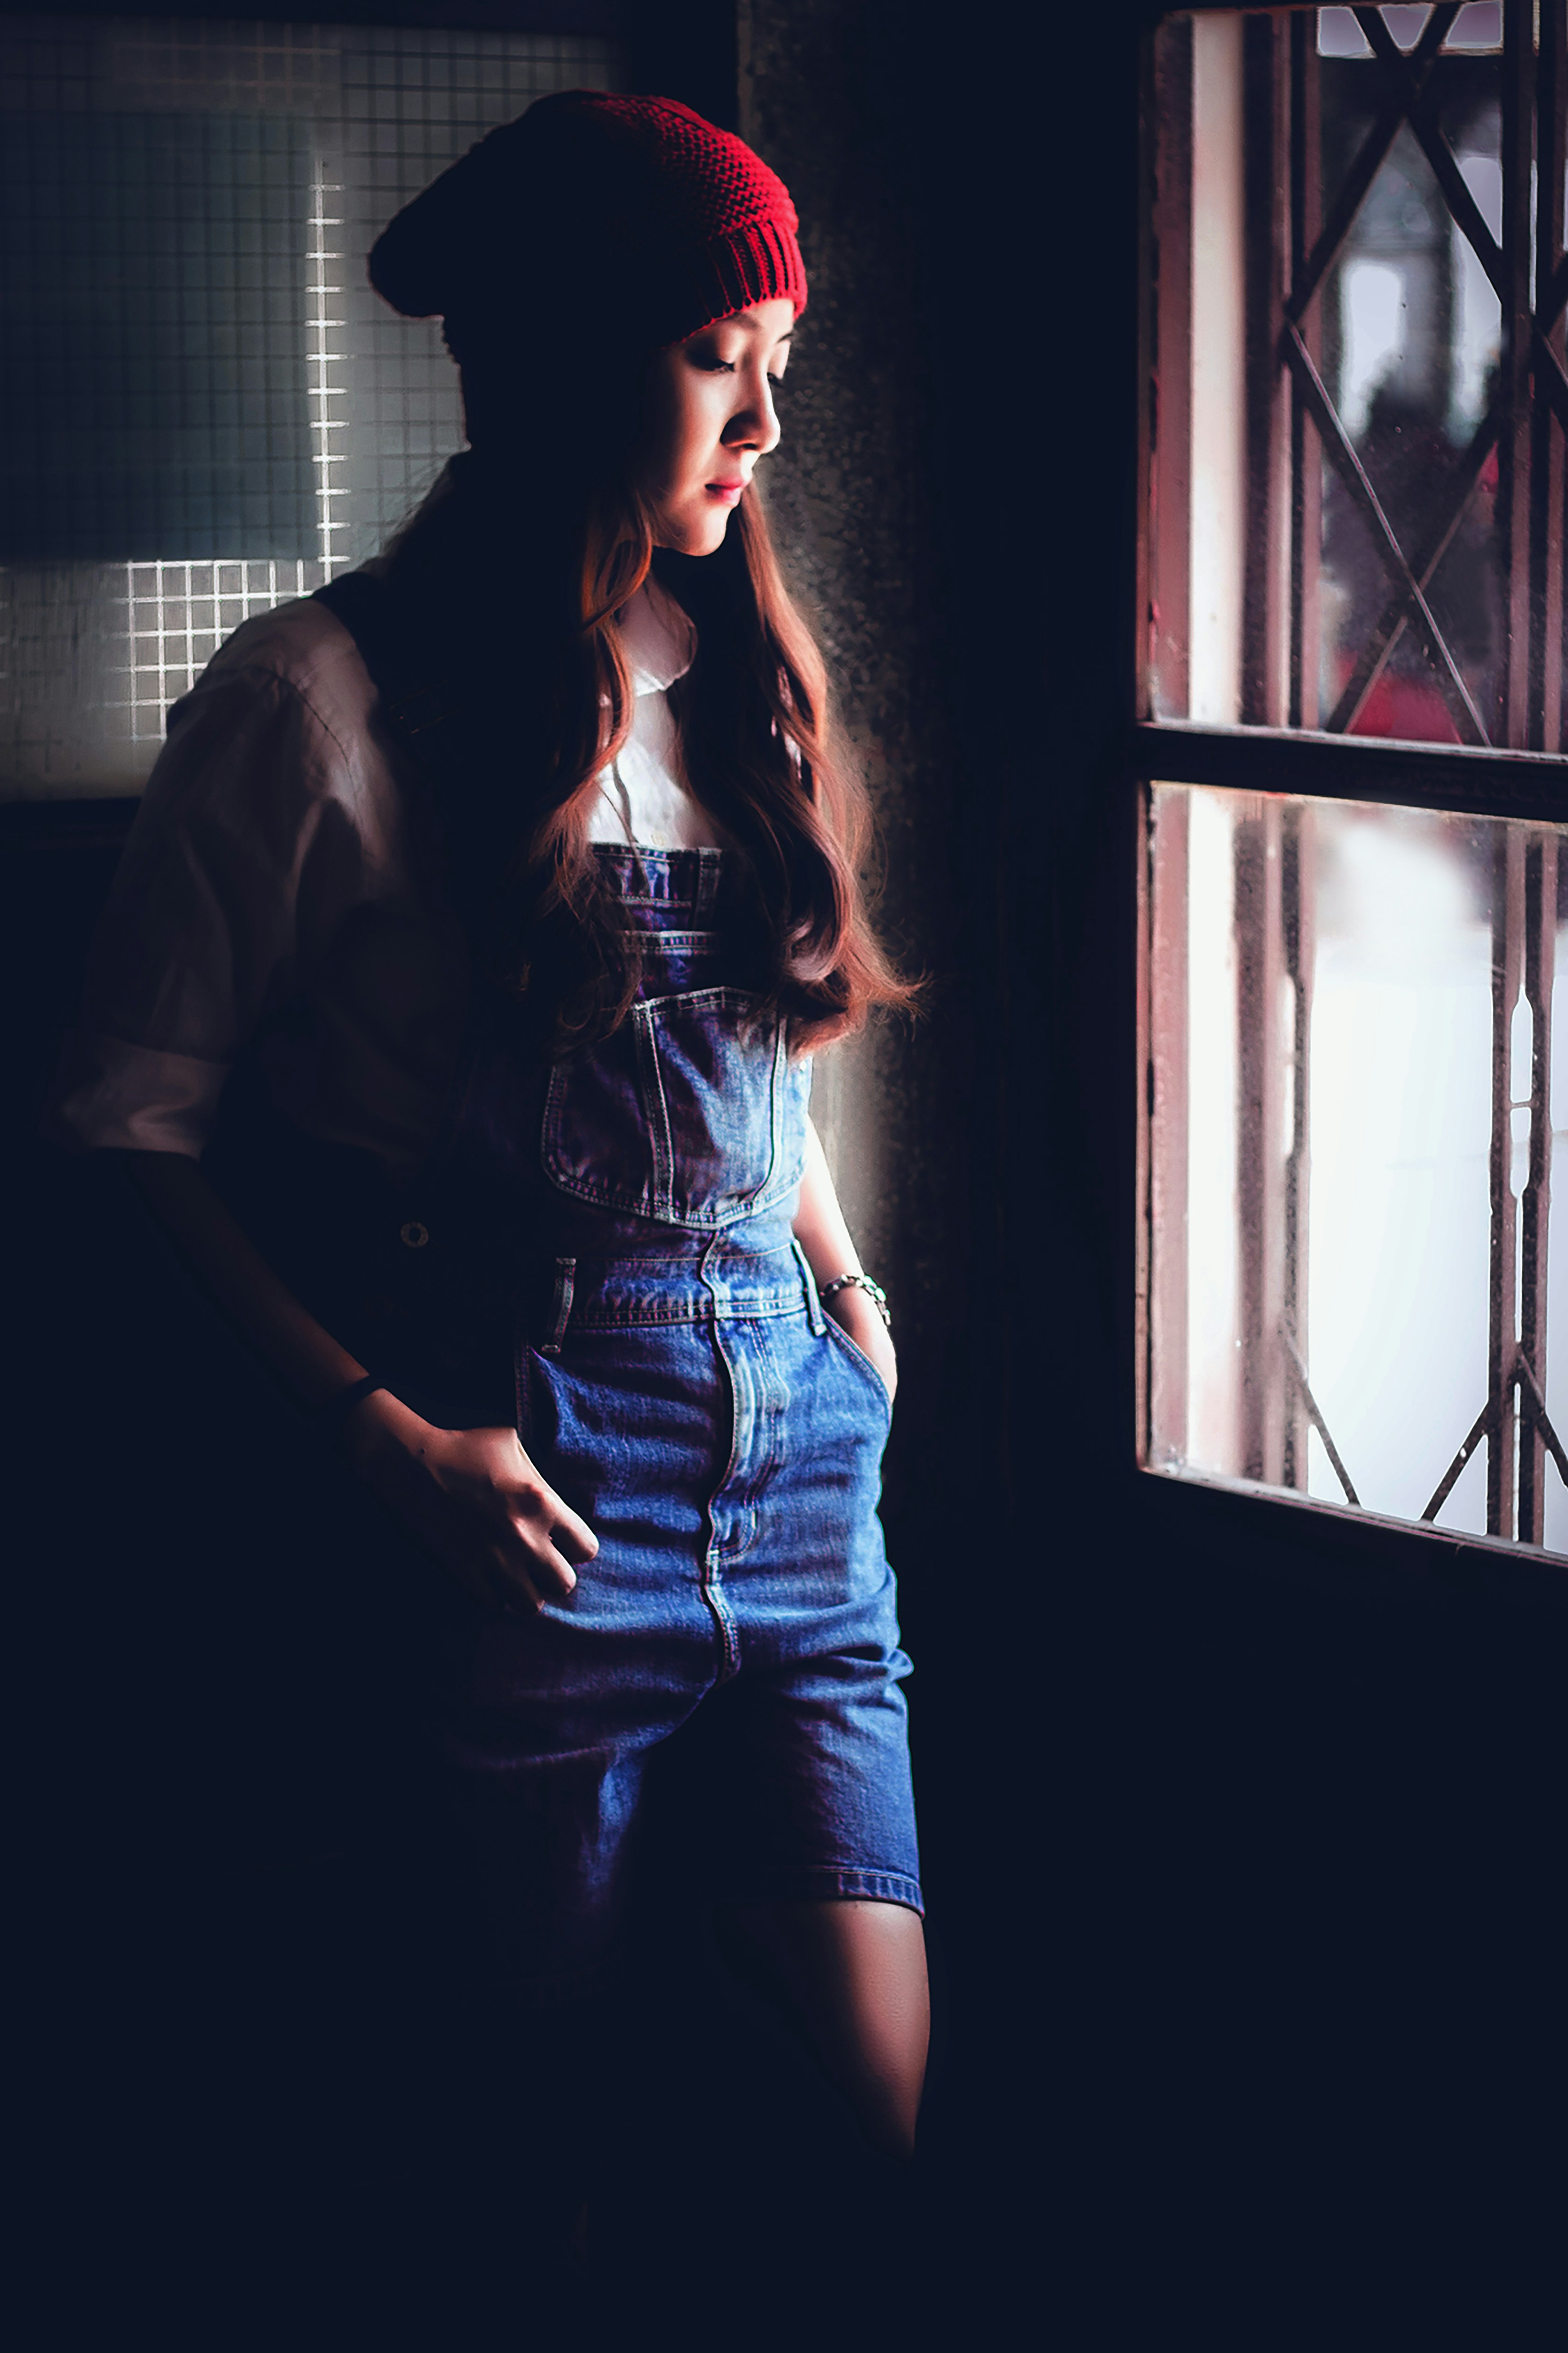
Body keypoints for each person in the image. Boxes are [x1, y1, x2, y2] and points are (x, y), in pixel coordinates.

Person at [46, 90, 928, 2237]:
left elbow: (757, 1062)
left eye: (777, 370)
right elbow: (133, 1131)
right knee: (506, 2140)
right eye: (721, 357)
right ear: (563, 350)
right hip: (521, 1495)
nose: (764, 423)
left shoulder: (745, 692)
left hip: (805, 1482)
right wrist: (375, 1438)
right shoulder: (310, 702)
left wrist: (844, 1292)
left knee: (868, 2110)